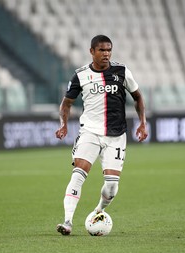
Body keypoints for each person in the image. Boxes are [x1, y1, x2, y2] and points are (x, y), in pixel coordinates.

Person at [55, 35, 148, 235]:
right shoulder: (80, 76)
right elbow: (66, 103)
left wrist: (142, 123)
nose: (106, 54)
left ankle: (98, 211)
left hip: (116, 135)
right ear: (92, 51)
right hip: (89, 131)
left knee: (112, 187)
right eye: (102, 50)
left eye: (109, 50)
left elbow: (138, 97)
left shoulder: (122, 72)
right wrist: (63, 125)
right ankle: (67, 221)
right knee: (79, 173)